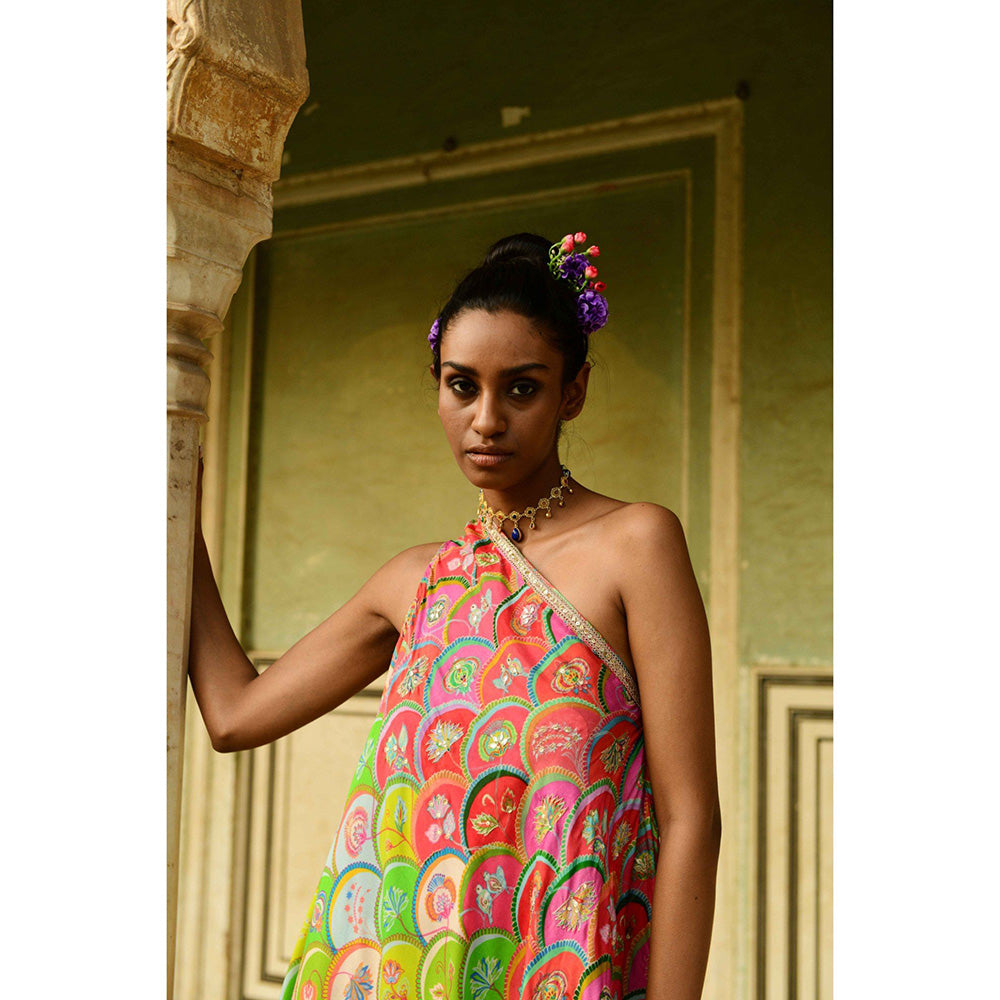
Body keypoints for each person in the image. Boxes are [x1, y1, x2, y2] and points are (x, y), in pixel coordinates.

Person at [188, 231, 722, 1000]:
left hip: (557, 971)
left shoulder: (635, 545)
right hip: (405, 969)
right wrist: (177, 510)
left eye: (522, 388)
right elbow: (234, 714)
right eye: (462, 385)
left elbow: (691, 819)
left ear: (572, 392)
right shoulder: (415, 582)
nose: (486, 419)